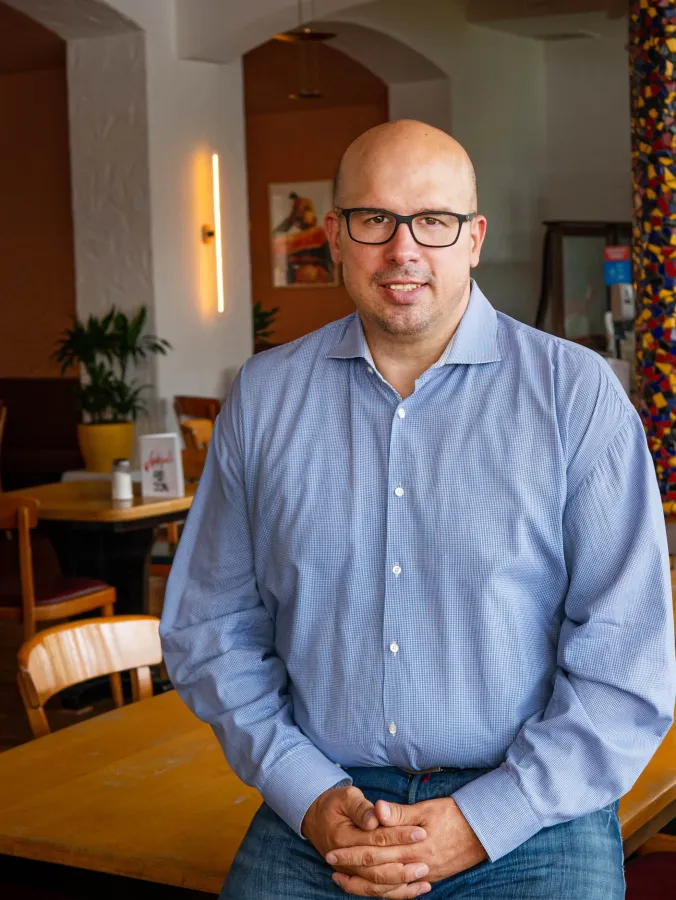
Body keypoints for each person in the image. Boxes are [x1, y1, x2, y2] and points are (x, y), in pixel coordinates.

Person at [160, 120, 676, 899]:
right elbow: (213, 627)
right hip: (325, 802)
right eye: (375, 219)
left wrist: (483, 819)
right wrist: (309, 794)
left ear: (473, 238)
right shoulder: (263, 398)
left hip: (529, 811)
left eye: (433, 220)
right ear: (335, 236)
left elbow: (625, 660)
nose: (404, 250)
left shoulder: (577, 398)